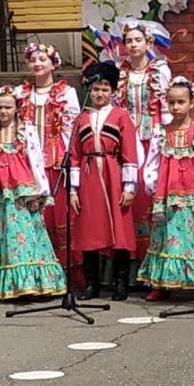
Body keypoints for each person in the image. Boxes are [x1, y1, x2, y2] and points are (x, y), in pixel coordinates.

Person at [0, 86, 67, 301]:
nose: (4, 111)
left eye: (8, 107)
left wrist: (40, 191)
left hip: (22, 189)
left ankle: (31, 283)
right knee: (0, 234)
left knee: (25, 234)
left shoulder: (26, 130)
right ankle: (4, 286)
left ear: (16, 108)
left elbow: (36, 160)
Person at [138, 77, 194, 300]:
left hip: (192, 193)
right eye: (171, 103)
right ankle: (161, 283)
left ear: (193, 103)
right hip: (167, 192)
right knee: (165, 236)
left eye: (181, 102)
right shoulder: (161, 132)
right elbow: (152, 161)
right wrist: (153, 186)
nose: (176, 107)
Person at [69, 62, 141, 300]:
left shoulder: (121, 116)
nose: (100, 94)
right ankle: (92, 283)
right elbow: (75, 156)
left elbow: (130, 152)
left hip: (114, 173)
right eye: (96, 89)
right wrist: (73, 190)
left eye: (105, 89)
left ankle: (121, 281)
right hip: (89, 176)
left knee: (118, 228)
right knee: (89, 228)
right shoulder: (81, 119)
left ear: (113, 92)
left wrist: (129, 186)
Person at [17, 41, 82, 284]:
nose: (37, 64)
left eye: (42, 59)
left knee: (60, 216)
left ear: (53, 62)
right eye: (33, 60)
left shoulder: (66, 93)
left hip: (56, 162)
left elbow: (70, 131)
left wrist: (69, 163)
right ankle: (38, 273)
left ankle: (67, 274)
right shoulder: (21, 93)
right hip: (30, 163)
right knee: (35, 218)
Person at [117, 22, 172, 282]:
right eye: (129, 40)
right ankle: (129, 264)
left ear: (148, 43)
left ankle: (155, 260)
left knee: (150, 196)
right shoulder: (120, 72)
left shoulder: (159, 70)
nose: (134, 44)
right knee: (130, 197)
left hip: (153, 139)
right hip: (127, 139)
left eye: (138, 39)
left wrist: (167, 136)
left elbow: (167, 106)